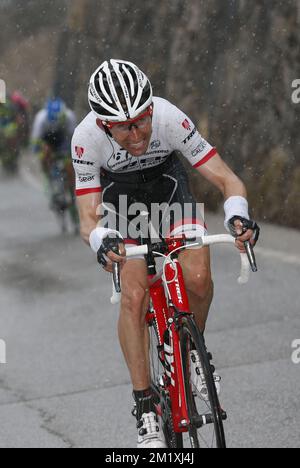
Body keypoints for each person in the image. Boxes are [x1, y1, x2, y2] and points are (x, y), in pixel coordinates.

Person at [72, 59, 260, 448]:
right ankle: (144, 407)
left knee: (198, 277)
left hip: (170, 191)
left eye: (142, 119)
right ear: (105, 124)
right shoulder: (85, 138)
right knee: (135, 296)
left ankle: (193, 352)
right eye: (124, 127)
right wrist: (101, 240)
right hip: (119, 204)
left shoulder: (169, 117)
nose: (137, 133)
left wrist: (238, 217)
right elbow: (88, 219)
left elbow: (227, 179)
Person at [31, 98, 78, 230]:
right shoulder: (41, 119)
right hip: (47, 141)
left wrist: (70, 157)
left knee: (69, 165)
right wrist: (42, 154)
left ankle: (71, 186)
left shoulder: (69, 116)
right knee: (44, 155)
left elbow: (75, 139)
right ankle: (49, 178)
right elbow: (35, 142)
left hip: (63, 140)